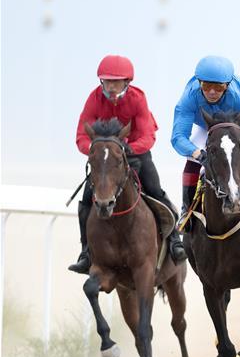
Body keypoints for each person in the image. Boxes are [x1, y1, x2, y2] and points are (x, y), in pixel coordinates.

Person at [69, 55, 187, 274]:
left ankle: (174, 241)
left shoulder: (138, 98)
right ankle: (86, 252)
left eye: (116, 82)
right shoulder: (94, 99)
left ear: (127, 82)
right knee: (87, 200)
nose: (111, 86)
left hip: (135, 152)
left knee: (154, 189)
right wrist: (97, 151)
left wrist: (126, 149)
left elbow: (147, 136)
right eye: (106, 81)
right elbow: (81, 137)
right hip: (105, 157)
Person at [172, 56, 240, 231]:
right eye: (206, 86)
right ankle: (186, 210)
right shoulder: (190, 96)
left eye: (218, 87)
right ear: (199, 83)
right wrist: (197, 154)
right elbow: (178, 137)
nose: (212, 92)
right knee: (191, 159)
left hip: (236, 127)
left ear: (227, 85)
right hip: (207, 129)